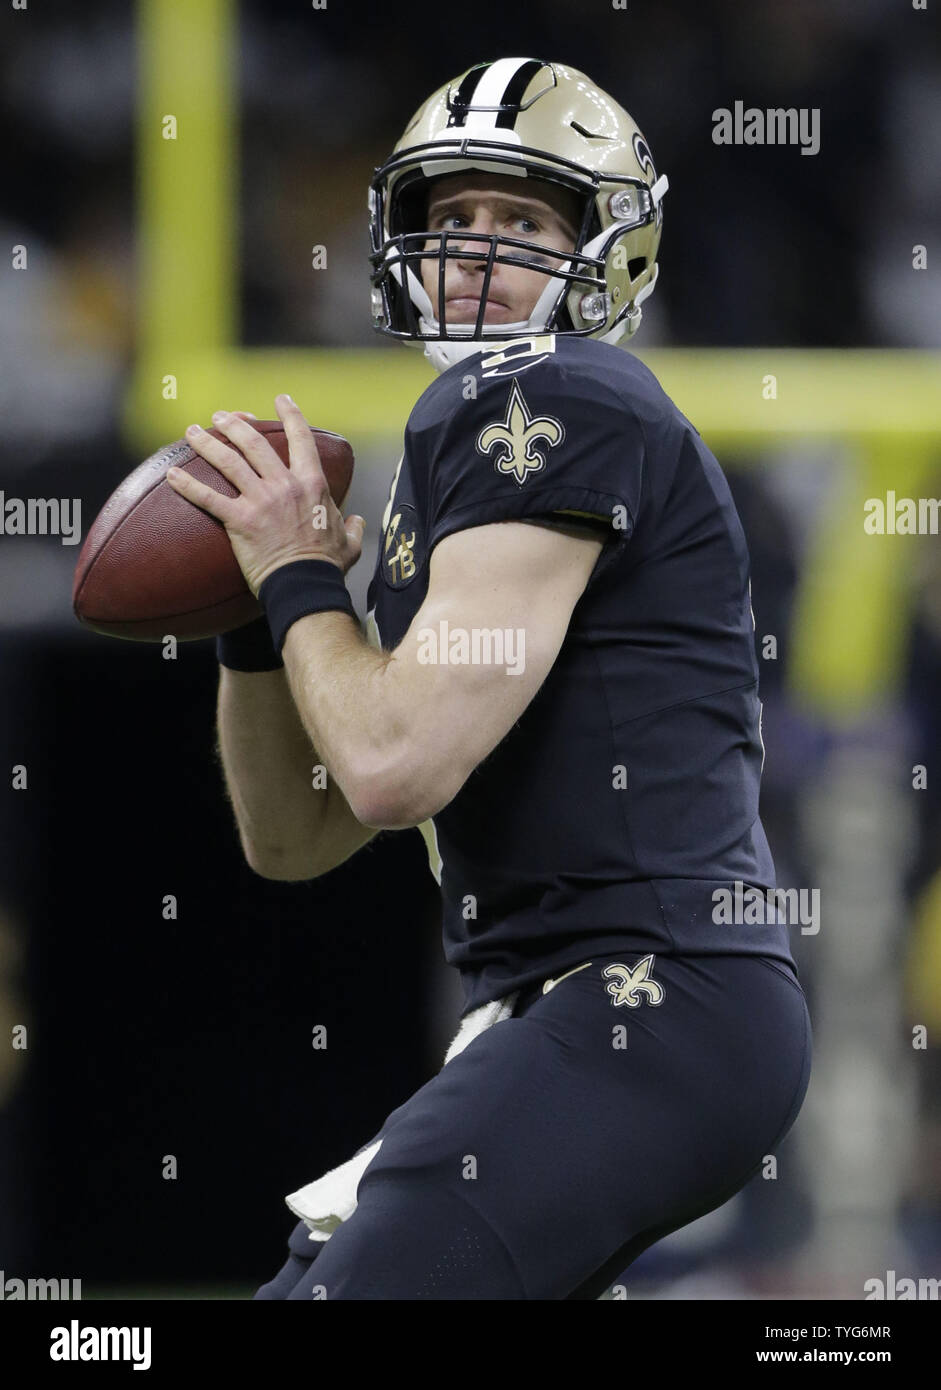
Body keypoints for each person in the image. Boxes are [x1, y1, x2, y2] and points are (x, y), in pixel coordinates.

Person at [166, 58, 812, 1301]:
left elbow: (395, 766)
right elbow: (293, 837)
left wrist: (301, 577)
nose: (472, 252)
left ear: (607, 247)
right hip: (565, 1007)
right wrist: (255, 618)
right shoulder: (467, 436)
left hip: (647, 990)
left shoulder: (554, 391)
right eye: (450, 220)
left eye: (518, 222)